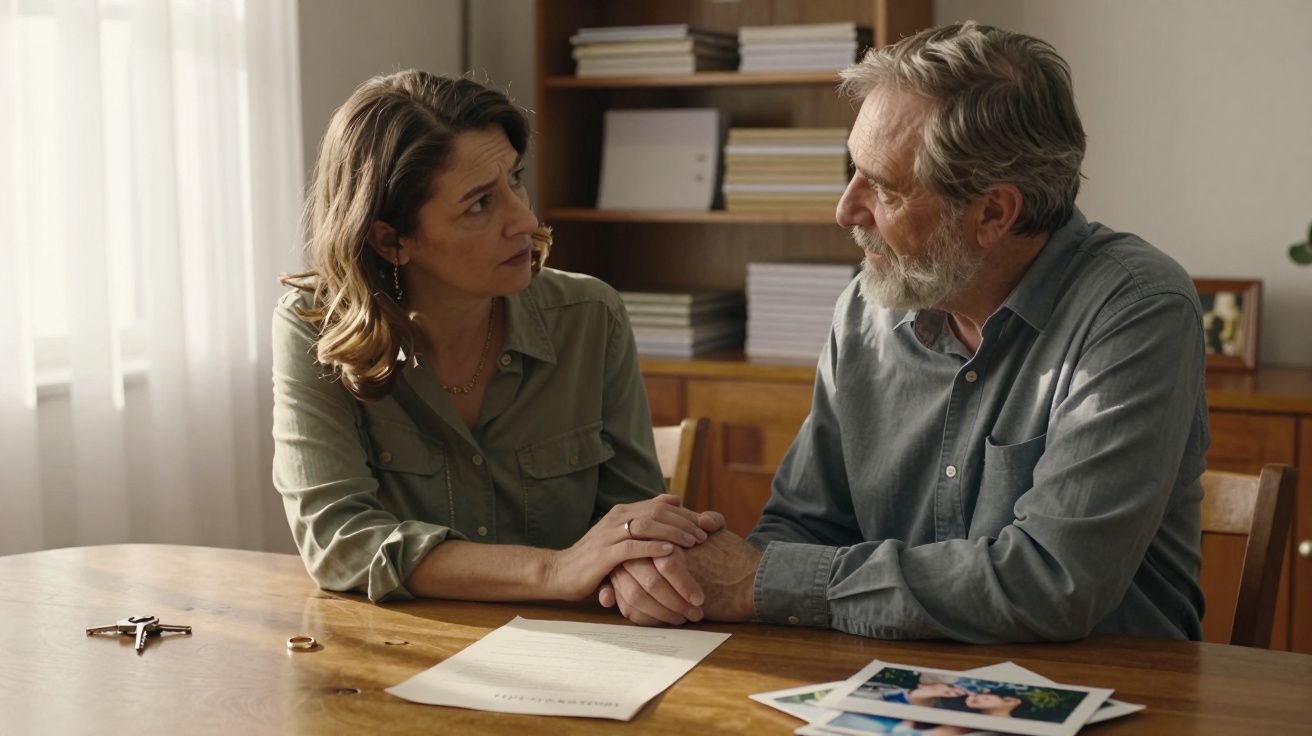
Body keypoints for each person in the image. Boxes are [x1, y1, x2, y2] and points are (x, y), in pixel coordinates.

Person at [602, 21, 1208, 642]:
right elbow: (802, 526)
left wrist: (762, 579)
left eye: (884, 189)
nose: (845, 209)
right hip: (889, 687)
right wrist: (685, 582)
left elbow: (1052, 581)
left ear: (993, 213)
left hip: (1110, 694)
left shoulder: (1136, 310)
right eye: (853, 170)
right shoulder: (868, 308)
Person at [272, 70, 719, 611]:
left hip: (578, 655)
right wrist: (554, 569)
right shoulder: (314, 329)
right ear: (391, 240)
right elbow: (339, 541)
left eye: (515, 180)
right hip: (398, 651)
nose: (525, 220)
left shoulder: (590, 315)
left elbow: (634, 524)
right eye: (480, 204)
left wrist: (645, 572)